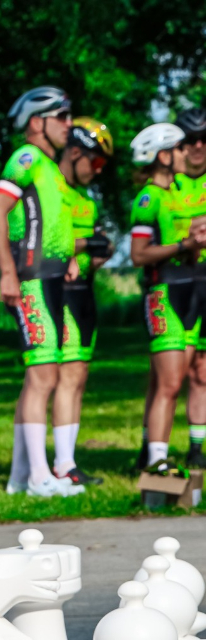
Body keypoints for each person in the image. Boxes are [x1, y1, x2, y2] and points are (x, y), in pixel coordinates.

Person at [0, 86, 85, 498]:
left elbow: (52, 225)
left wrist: (71, 259)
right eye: (62, 117)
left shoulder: (50, 167)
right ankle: (39, 477)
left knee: (41, 376)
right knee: (43, 375)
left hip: (52, 278)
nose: (69, 124)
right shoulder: (26, 158)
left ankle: (21, 476)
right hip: (31, 279)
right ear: (37, 122)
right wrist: (7, 271)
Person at [129, 122, 206, 471]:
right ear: (163, 155)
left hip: (190, 289)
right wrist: (182, 245)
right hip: (163, 292)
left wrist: (193, 244)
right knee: (169, 381)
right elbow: (139, 254)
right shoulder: (149, 197)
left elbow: (183, 248)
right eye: (178, 148)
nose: (185, 153)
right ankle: (157, 459)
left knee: (188, 376)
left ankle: (165, 454)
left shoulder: (175, 193)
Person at [52, 118, 115, 487]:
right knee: (67, 377)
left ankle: (68, 461)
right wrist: (83, 245)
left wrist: (99, 249)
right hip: (60, 293)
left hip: (85, 291)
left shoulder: (85, 200)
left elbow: (87, 247)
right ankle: (62, 465)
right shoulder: (54, 189)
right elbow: (41, 238)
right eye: (96, 162)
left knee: (79, 378)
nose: (98, 171)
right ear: (75, 152)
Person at [175, 107, 206, 469]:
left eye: (204, 139)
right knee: (169, 372)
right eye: (190, 140)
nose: (198, 146)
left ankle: (197, 447)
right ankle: (151, 447)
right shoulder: (169, 180)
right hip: (176, 281)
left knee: (202, 370)